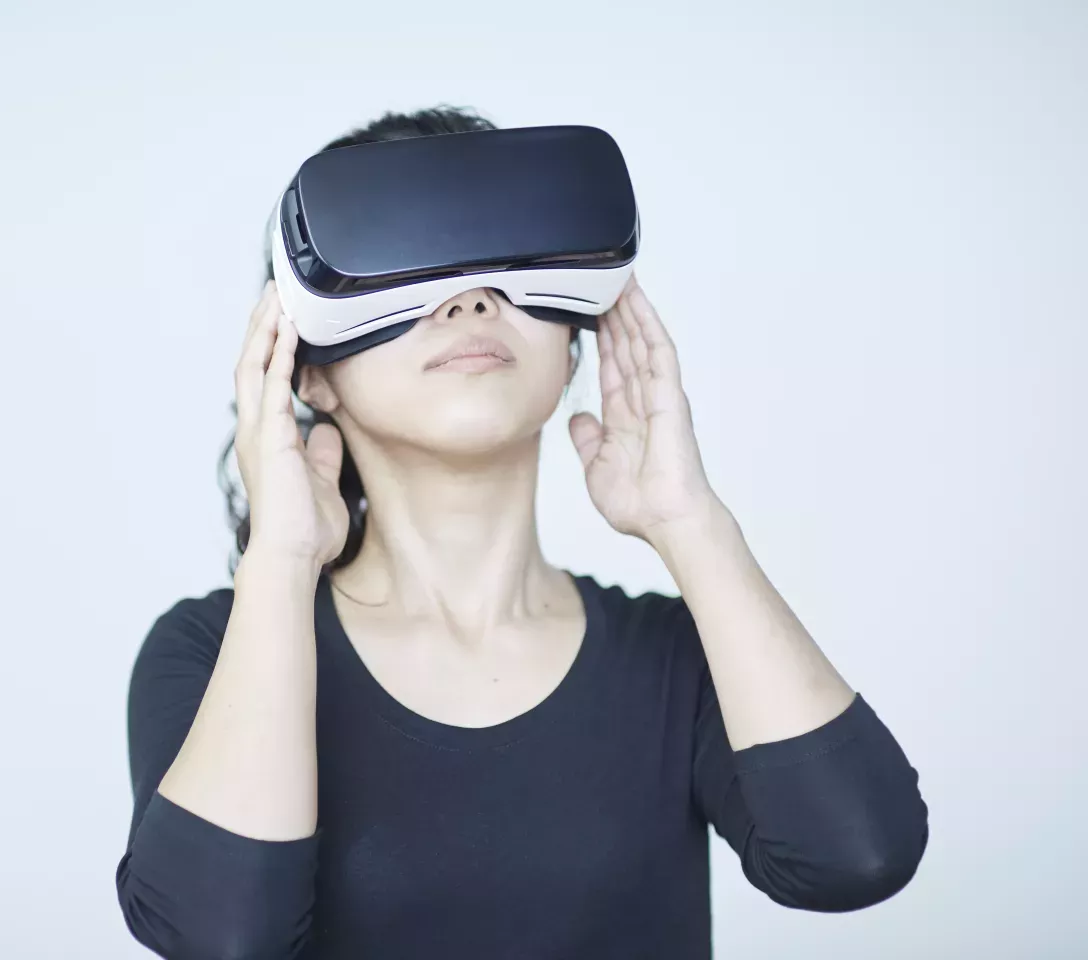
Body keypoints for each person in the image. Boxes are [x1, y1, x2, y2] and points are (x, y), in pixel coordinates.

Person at [114, 106, 929, 959]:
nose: (471, 298)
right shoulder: (210, 653)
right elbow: (222, 934)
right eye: (406, 261)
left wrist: (690, 522)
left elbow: (858, 858)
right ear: (308, 368)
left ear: (572, 347)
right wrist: (280, 563)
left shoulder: (678, 659)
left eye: (506, 268)